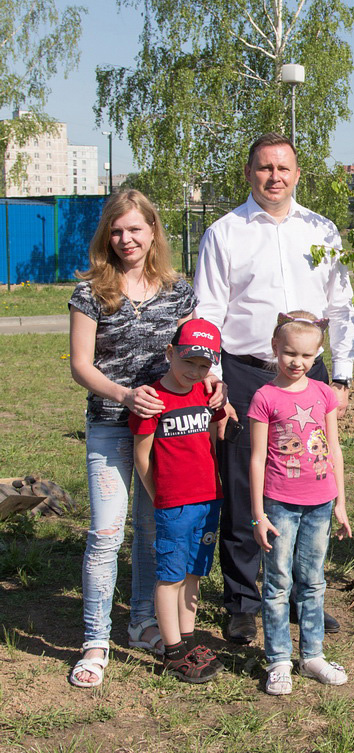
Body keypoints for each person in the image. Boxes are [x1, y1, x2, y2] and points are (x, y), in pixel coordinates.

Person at [194, 133, 354, 644]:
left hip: (310, 377)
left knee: (307, 482)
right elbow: (208, 311)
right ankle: (243, 601)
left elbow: (341, 308)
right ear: (248, 174)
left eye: (283, 168)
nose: (274, 177)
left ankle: (299, 595)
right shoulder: (225, 233)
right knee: (246, 488)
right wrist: (214, 381)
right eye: (264, 167)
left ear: (297, 174)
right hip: (246, 374)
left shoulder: (321, 231)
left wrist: (343, 375)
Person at [67, 190, 222, 688]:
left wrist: (211, 383)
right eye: (116, 231)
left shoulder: (178, 290)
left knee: (153, 531)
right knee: (106, 534)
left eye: (135, 229)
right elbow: (80, 365)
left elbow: (193, 352)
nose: (125, 239)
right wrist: (125, 395)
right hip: (112, 425)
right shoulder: (91, 290)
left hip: (169, 433)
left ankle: (141, 623)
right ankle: (95, 639)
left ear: (153, 230)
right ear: (105, 237)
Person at [248, 311, 352, 695]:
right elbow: (256, 458)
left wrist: (340, 502)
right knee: (276, 583)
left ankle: (312, 656)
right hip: (279, 506)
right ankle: (278, 660)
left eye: (307, 356)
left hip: (320, 505)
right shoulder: (265, 397)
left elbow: (335, 450)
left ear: (318, 354)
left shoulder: (324, 393)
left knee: (313, 581)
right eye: (290, 353)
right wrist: (258, 514)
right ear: (275, 348)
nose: (298, 362)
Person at [131, 318, 227, 683]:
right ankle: (171, 650)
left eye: (204, 365)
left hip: (208, 499)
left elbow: (216, 430)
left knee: (194, 571)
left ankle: (187, 638)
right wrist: (160, 496)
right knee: (169, 576)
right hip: (173, 504)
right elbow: (143, 456)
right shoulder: (153, 399)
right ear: (170, 353)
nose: (195, 371)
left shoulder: (206, 393)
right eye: (188, 361)